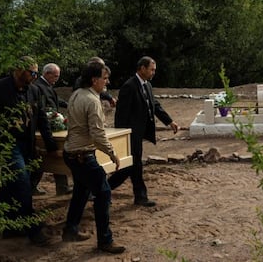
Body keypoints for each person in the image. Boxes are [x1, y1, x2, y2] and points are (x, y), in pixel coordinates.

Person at [0, 56, 58, 245]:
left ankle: (10, 227)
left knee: (12, 185)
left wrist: (50, 143)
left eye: (37, 73)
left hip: (26, 144)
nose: (35, 77)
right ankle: (33, 228)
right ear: (19, 70)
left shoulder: (34, 90)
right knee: (22, 183)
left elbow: (41, 117)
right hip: (6, 144)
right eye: (32, 73)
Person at [62, 61, 126, 254]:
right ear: (94, 79)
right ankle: (105, 240)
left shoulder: (76, 94)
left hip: (71, 153)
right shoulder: (91, 100)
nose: (106, 83)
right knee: (104, 193)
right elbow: (98, 134)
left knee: (81, 191)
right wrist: (112, 153)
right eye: (104, 79)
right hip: (82, 154)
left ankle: (70, 230)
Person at [107, 56, 179, 207]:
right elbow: (121, 114)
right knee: (133, 165)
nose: (153, 72)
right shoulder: (129, 86)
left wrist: (169, 121)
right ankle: (108, 190)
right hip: (130, 134)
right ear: (142, 68)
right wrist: (123, 136)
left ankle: (106, 190)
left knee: (133, 165)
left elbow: (155, 105)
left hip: (139, 133)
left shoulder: (147, 85)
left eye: (154, 70)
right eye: (151, 69)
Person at [32, 63, 72, 196]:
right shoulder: (38, 86)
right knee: (43, 158)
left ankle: (62, 186)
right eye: (55, 76)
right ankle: (32, 185)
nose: (57, 79)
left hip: (52, 123)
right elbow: (44, 106)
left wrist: (67, 104)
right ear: (47, 73)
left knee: (56, 157)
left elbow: (55, 99)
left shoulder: (46, 85)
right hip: (45, 126)